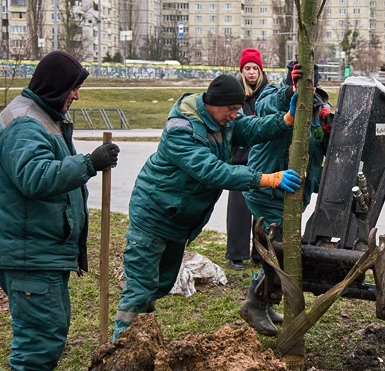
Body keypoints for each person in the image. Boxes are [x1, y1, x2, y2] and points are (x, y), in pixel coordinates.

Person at [0, 50, 121, 371]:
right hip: (28, 249)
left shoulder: (43, 116)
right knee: (38, 327)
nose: (76, 96)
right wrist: (88, 164)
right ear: (57, 86)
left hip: (41, 245)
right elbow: (35, 177)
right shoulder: (25, 125)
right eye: (74, 88)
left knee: (50, 322)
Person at [112, 73, 302, 341]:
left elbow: (251, 128)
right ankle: (121, 346)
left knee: (160, 283)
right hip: (154, 214)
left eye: (238, 110)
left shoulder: (220, 121)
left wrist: (285, 121)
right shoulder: (182, 129)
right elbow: (211, 170)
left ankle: (140, 336)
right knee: (141, 286)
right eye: (232, 109)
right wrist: (265, 178)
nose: (235, 115)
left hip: (178, 220)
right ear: (215, 103)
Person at [239, 61, 334, 336]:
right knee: (276, 249)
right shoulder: (274, 95)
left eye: (310, 84)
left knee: (278, 248)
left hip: (295, 193)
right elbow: (264, 109)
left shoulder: (318, 106)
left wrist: (329, 130)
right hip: (267, 187)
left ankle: (266, 303)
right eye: (303, 83)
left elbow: (321, 149)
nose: (308, 89)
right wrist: (289, 92)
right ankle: (254, 304)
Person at [225, 47, 273, 270]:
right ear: (242, 70)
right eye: (247, 68)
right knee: (238, 209)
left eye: (255, 68)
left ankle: (260, 252)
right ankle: (236, 253)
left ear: (260, 70)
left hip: (263, 158)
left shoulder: (269, 93)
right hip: (240, 159)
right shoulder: (236, 93)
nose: (251, 72)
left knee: (261, 208)